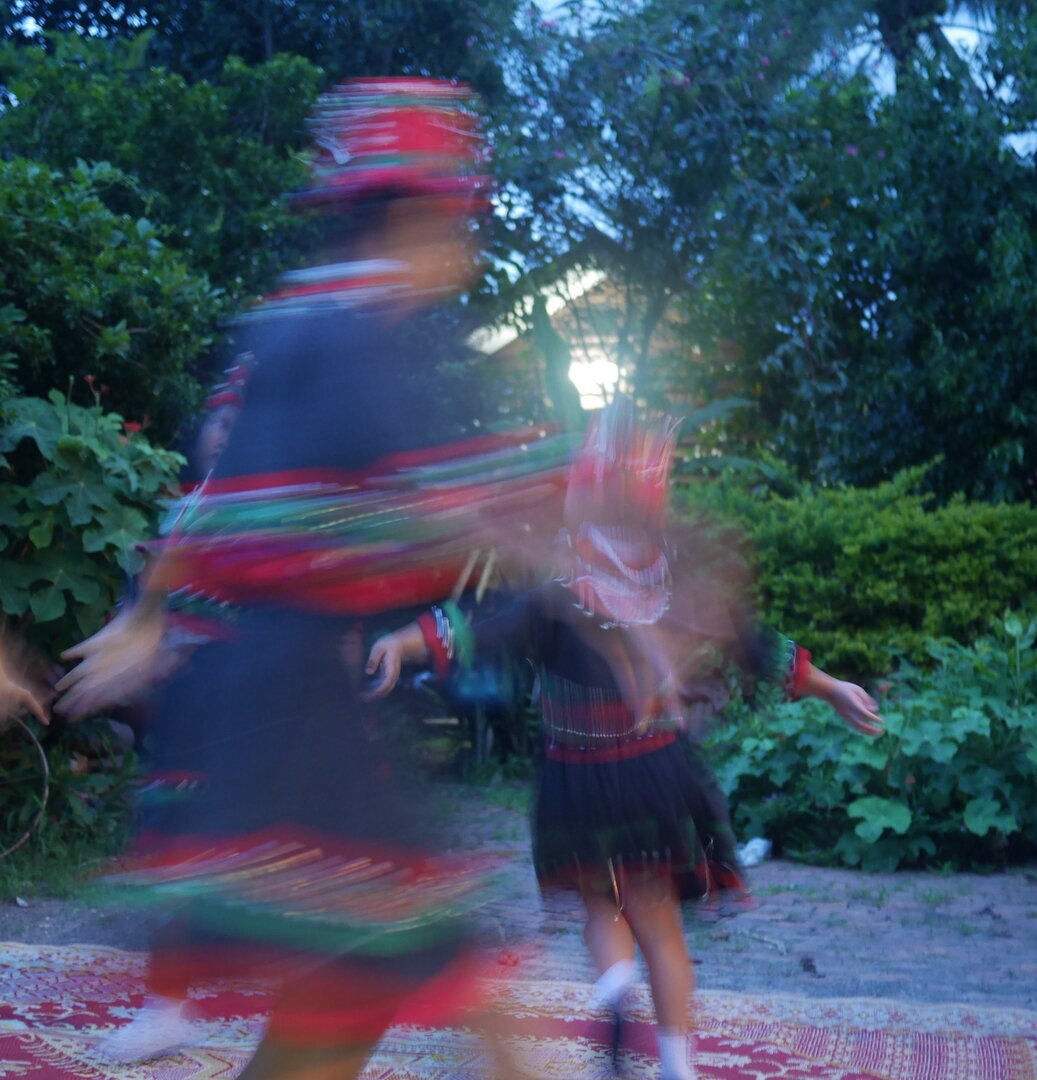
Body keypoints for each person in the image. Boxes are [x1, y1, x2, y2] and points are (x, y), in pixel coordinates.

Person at [56, 77, 563, 1080]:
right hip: (291, 709)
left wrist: (150, 618)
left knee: (358, 983)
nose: (463, 251)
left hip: (264, 698)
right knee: (429, 953)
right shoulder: (346, 335)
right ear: (421, 212)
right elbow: (413, 506)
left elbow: (225, 500)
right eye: (462, 224)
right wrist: (561, 506)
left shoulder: (292, 324)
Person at [367, 395, 883, 1080]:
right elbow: (751, 644)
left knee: (600, 906)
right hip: (654, 772)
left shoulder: (560, 584)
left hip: (577, 777)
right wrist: (832, 686)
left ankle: (613, 996)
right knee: (659, 919)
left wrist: (406, 640)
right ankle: (676, 1068)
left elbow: (482, 627)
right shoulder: (671, 580)